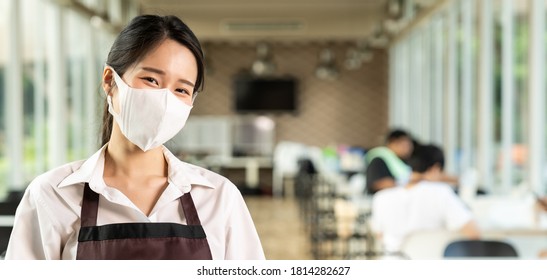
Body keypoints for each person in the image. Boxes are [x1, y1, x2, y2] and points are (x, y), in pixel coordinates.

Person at [5, 15, 265, 260]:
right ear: (110, 81)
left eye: (181, 89)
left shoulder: (219, 198)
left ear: (191, 102)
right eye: (151, 79)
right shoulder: (52, 196)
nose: (165, 100)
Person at [370, 144, 481, 255]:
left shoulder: (381, 198)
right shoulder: (440, 192)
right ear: (435, 169)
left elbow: (380, 235)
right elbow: (473, 233)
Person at [365, 129, 416, 195]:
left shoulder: (408, 161)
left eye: (409, 144)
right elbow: (376, 184)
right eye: (404, 145)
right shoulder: (378, 160)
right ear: (392, 142)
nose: (409, 148)